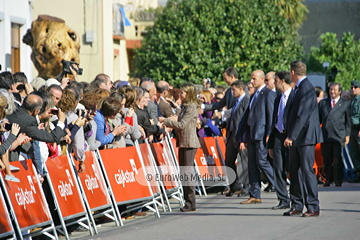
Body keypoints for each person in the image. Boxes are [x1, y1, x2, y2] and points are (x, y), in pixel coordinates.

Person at [283, 60, 323, 217]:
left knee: (307, 171)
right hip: (297, 137)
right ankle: (297, 204)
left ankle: (313, 206)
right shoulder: (299, 87)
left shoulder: (306, 88)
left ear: (293, 73)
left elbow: (303, 115)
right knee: (295, 171)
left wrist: (292, 136)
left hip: (305, 137)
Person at [236, 70, 276, 204]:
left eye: (254, 79)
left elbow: (271, 115)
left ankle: (279, 185)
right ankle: (255, 194)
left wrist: (269, 133)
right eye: (251, 79)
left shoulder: (269, 94)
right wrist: (240, 135)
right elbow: (247, 116)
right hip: (252, 134)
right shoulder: (254, 95)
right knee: (252, 165)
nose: (251, 82)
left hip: (262, 134)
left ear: (261, 79)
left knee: (262, 162)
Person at [161, 83, 201, 212]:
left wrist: (165, 121)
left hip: (190, 142)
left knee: (187, 172)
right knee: (183, 172)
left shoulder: (192, 107)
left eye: (183, 92)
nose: (180, 94)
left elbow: (182, 124)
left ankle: (190, 202)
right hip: (183, 142)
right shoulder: (185, 106)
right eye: (180, 92)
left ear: (189, 94)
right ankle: (187, 201)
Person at [267, 71, 294, 210]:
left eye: (275, 80)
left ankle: (296, 199)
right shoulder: (278, 98)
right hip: (278, 136)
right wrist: (271, 144)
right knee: (277, 168)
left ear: (282, 81)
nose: (274, 82)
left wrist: (292, 136)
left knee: (292, 168)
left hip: (290, 137)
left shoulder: (294, 96)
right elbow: (274, 120)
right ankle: (283, 199)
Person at [318, 83, 350, 187]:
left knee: (337, 160)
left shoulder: (345, 103)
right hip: (326, 135)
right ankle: (328, 179)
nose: (332, 92)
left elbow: (348, 122)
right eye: (331, 89)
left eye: (335, 90)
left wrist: (347, 135)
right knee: (327, 159)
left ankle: (337, 180)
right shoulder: (323, 103)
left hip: (338, 135)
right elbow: (318, 119)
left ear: (339, 91)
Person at [224, 80, 250, 197]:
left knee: (244, 163)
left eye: (234, 90)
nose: (232, 92)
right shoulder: (236, 101)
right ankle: (235, 186)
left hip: (241, 137)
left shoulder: (246, 100)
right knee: (229, 161)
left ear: (241, 89)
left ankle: (247, 188)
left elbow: (245, 122)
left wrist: (244, 139)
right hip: (231, 136)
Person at [349, 80, 360, 182]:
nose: (353, 89)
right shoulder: (352, 100)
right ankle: (357, 173)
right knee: (354, 152)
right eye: (352, 87)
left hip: (358, 128)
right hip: (352, 129)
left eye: (355, 87)